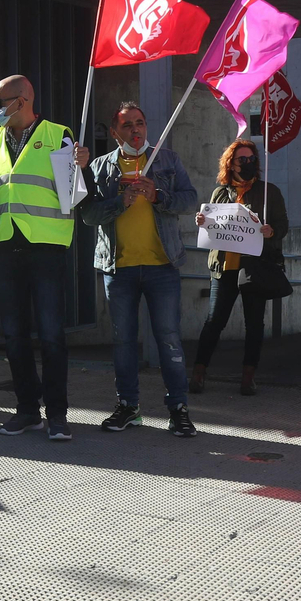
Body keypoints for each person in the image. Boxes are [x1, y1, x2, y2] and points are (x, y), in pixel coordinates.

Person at [78, 102, 198, 436]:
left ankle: (178, 409)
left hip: (162, 266)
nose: (136, 130)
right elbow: (88, 215)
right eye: (127, 125)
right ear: (114, 132)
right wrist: (122, 202)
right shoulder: (101, 166)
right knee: (123, 341)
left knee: (169, 339)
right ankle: (128, 407)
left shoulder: (167, 159)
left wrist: (158, 196)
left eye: (140, 123)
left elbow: (190, 200)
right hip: (119, 270)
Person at [0, 74, 90, 441]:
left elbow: (76, 194)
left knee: (51, 334)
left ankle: (57, 414)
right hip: (4, 244)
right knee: (13, 334)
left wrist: (82, 166)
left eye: (0, 101)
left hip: (46, 245)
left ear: (22, 100)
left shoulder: (59, 135)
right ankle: (27, 410)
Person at [191, 138, 288, 395]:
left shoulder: (269, 192)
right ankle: (199, 372)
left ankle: (248, 377)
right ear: (230, 164)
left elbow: (283, 225)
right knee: (214, 321)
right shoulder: (220, 193)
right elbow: (211, 225)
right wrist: (201, 221)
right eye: (242, 159)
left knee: (254, 324)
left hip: (255, 268)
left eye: (251, 159)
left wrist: (271, 231)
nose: (247, 163)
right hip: (223, 268)